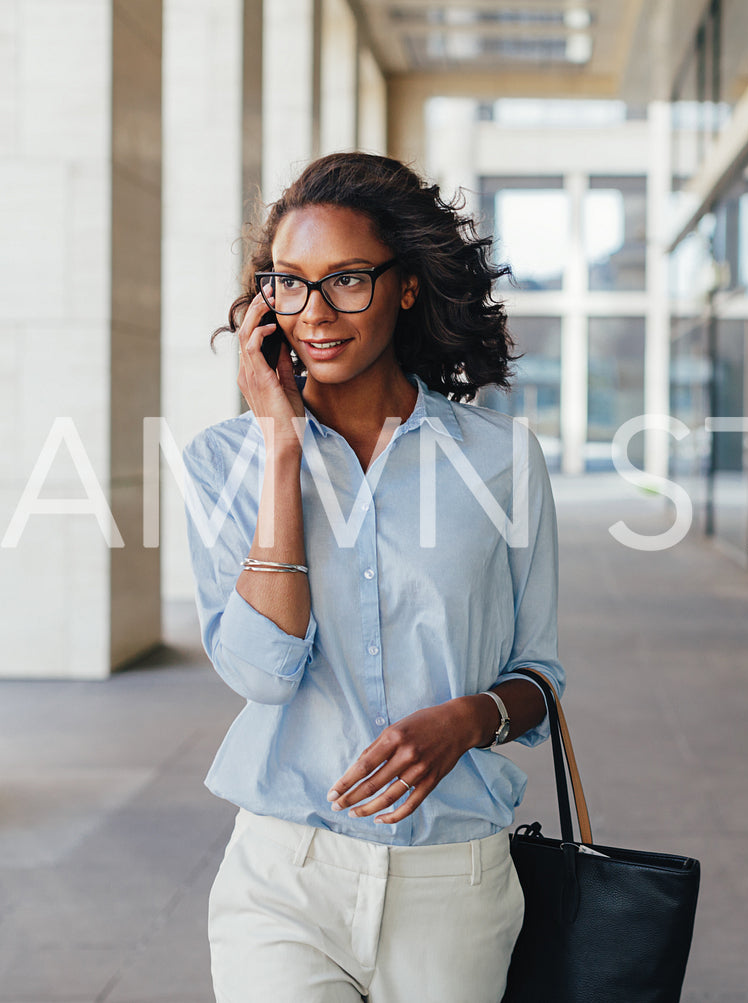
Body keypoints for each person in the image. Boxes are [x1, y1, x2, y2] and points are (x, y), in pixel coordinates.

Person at [179, 151, 564, 1003]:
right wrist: (282, 446)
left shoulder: (500, 459)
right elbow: (260, 672)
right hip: (283, 874)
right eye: (289, 283)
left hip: (451, 882)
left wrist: (469, 718)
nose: (314, 313)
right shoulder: (223, 461)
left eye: (347, 280)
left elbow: (541, 675)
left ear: (407, 286)